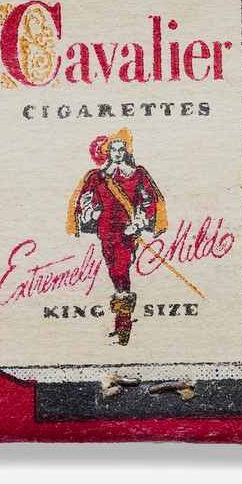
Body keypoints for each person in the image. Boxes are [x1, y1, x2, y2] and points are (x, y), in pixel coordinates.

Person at [66, 129, 167, 345]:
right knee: (115, 274)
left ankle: (124, 325)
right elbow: (84, 199)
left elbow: (149, 201)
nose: (118, 153)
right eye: (114, 150)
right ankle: (121, 321)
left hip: (126, 233)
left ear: (127, 152)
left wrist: (138, 222)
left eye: (122, 150)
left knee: (121, 273)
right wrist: (91, 211)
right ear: (109, 152)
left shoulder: (137, 174)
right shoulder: (98, 176)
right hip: (105, 232)